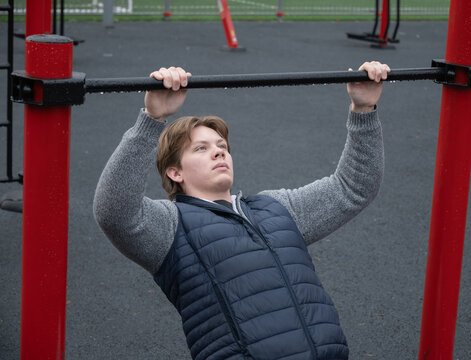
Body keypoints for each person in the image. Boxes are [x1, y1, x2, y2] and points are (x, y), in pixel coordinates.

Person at [93, 61, 390, 360]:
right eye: (201, 148)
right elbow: (115, 212)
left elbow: (353, 188)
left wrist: (363, 110)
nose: (219, 151)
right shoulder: (171, 227)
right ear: (175, 173)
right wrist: (153, 118)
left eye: (221, 145)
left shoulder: (277, 208)